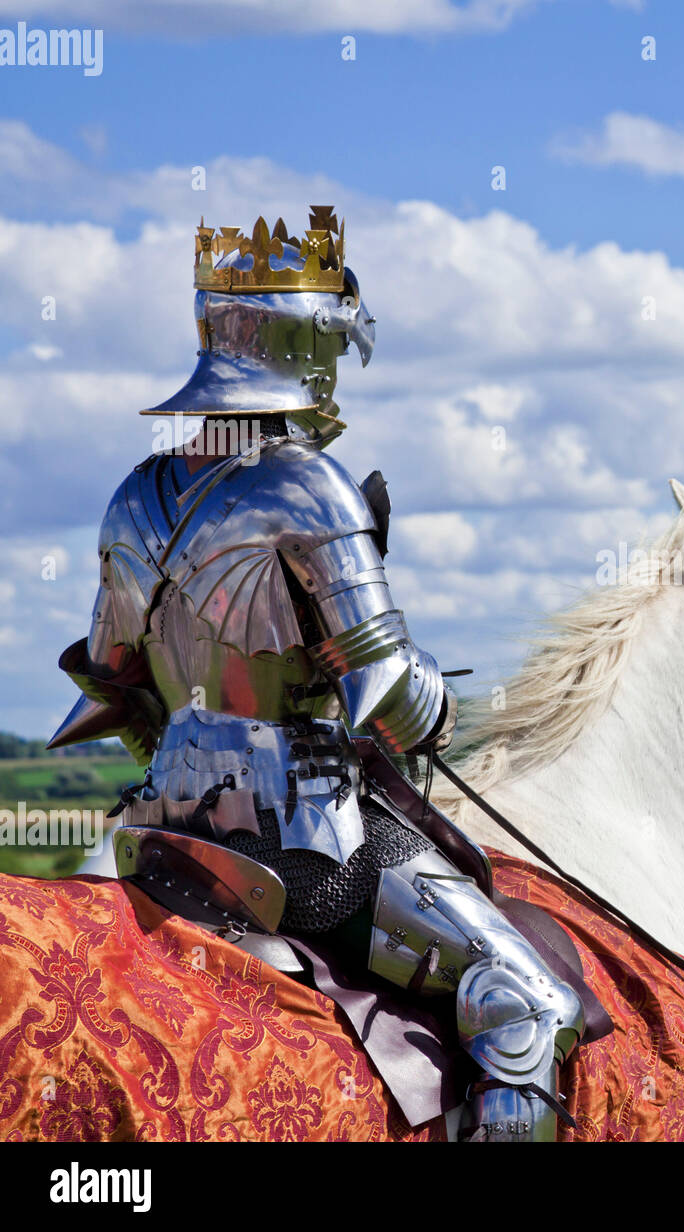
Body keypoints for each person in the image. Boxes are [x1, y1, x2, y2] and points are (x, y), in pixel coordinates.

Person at [46, 208, 585, 1141]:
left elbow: (110, 683)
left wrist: (182, 747)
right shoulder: (311, 485)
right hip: (300, 839)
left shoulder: (132, 496)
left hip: (157, 825)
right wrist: (440, 703)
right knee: (525, 1004)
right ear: (303, 343)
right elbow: (390, 696)